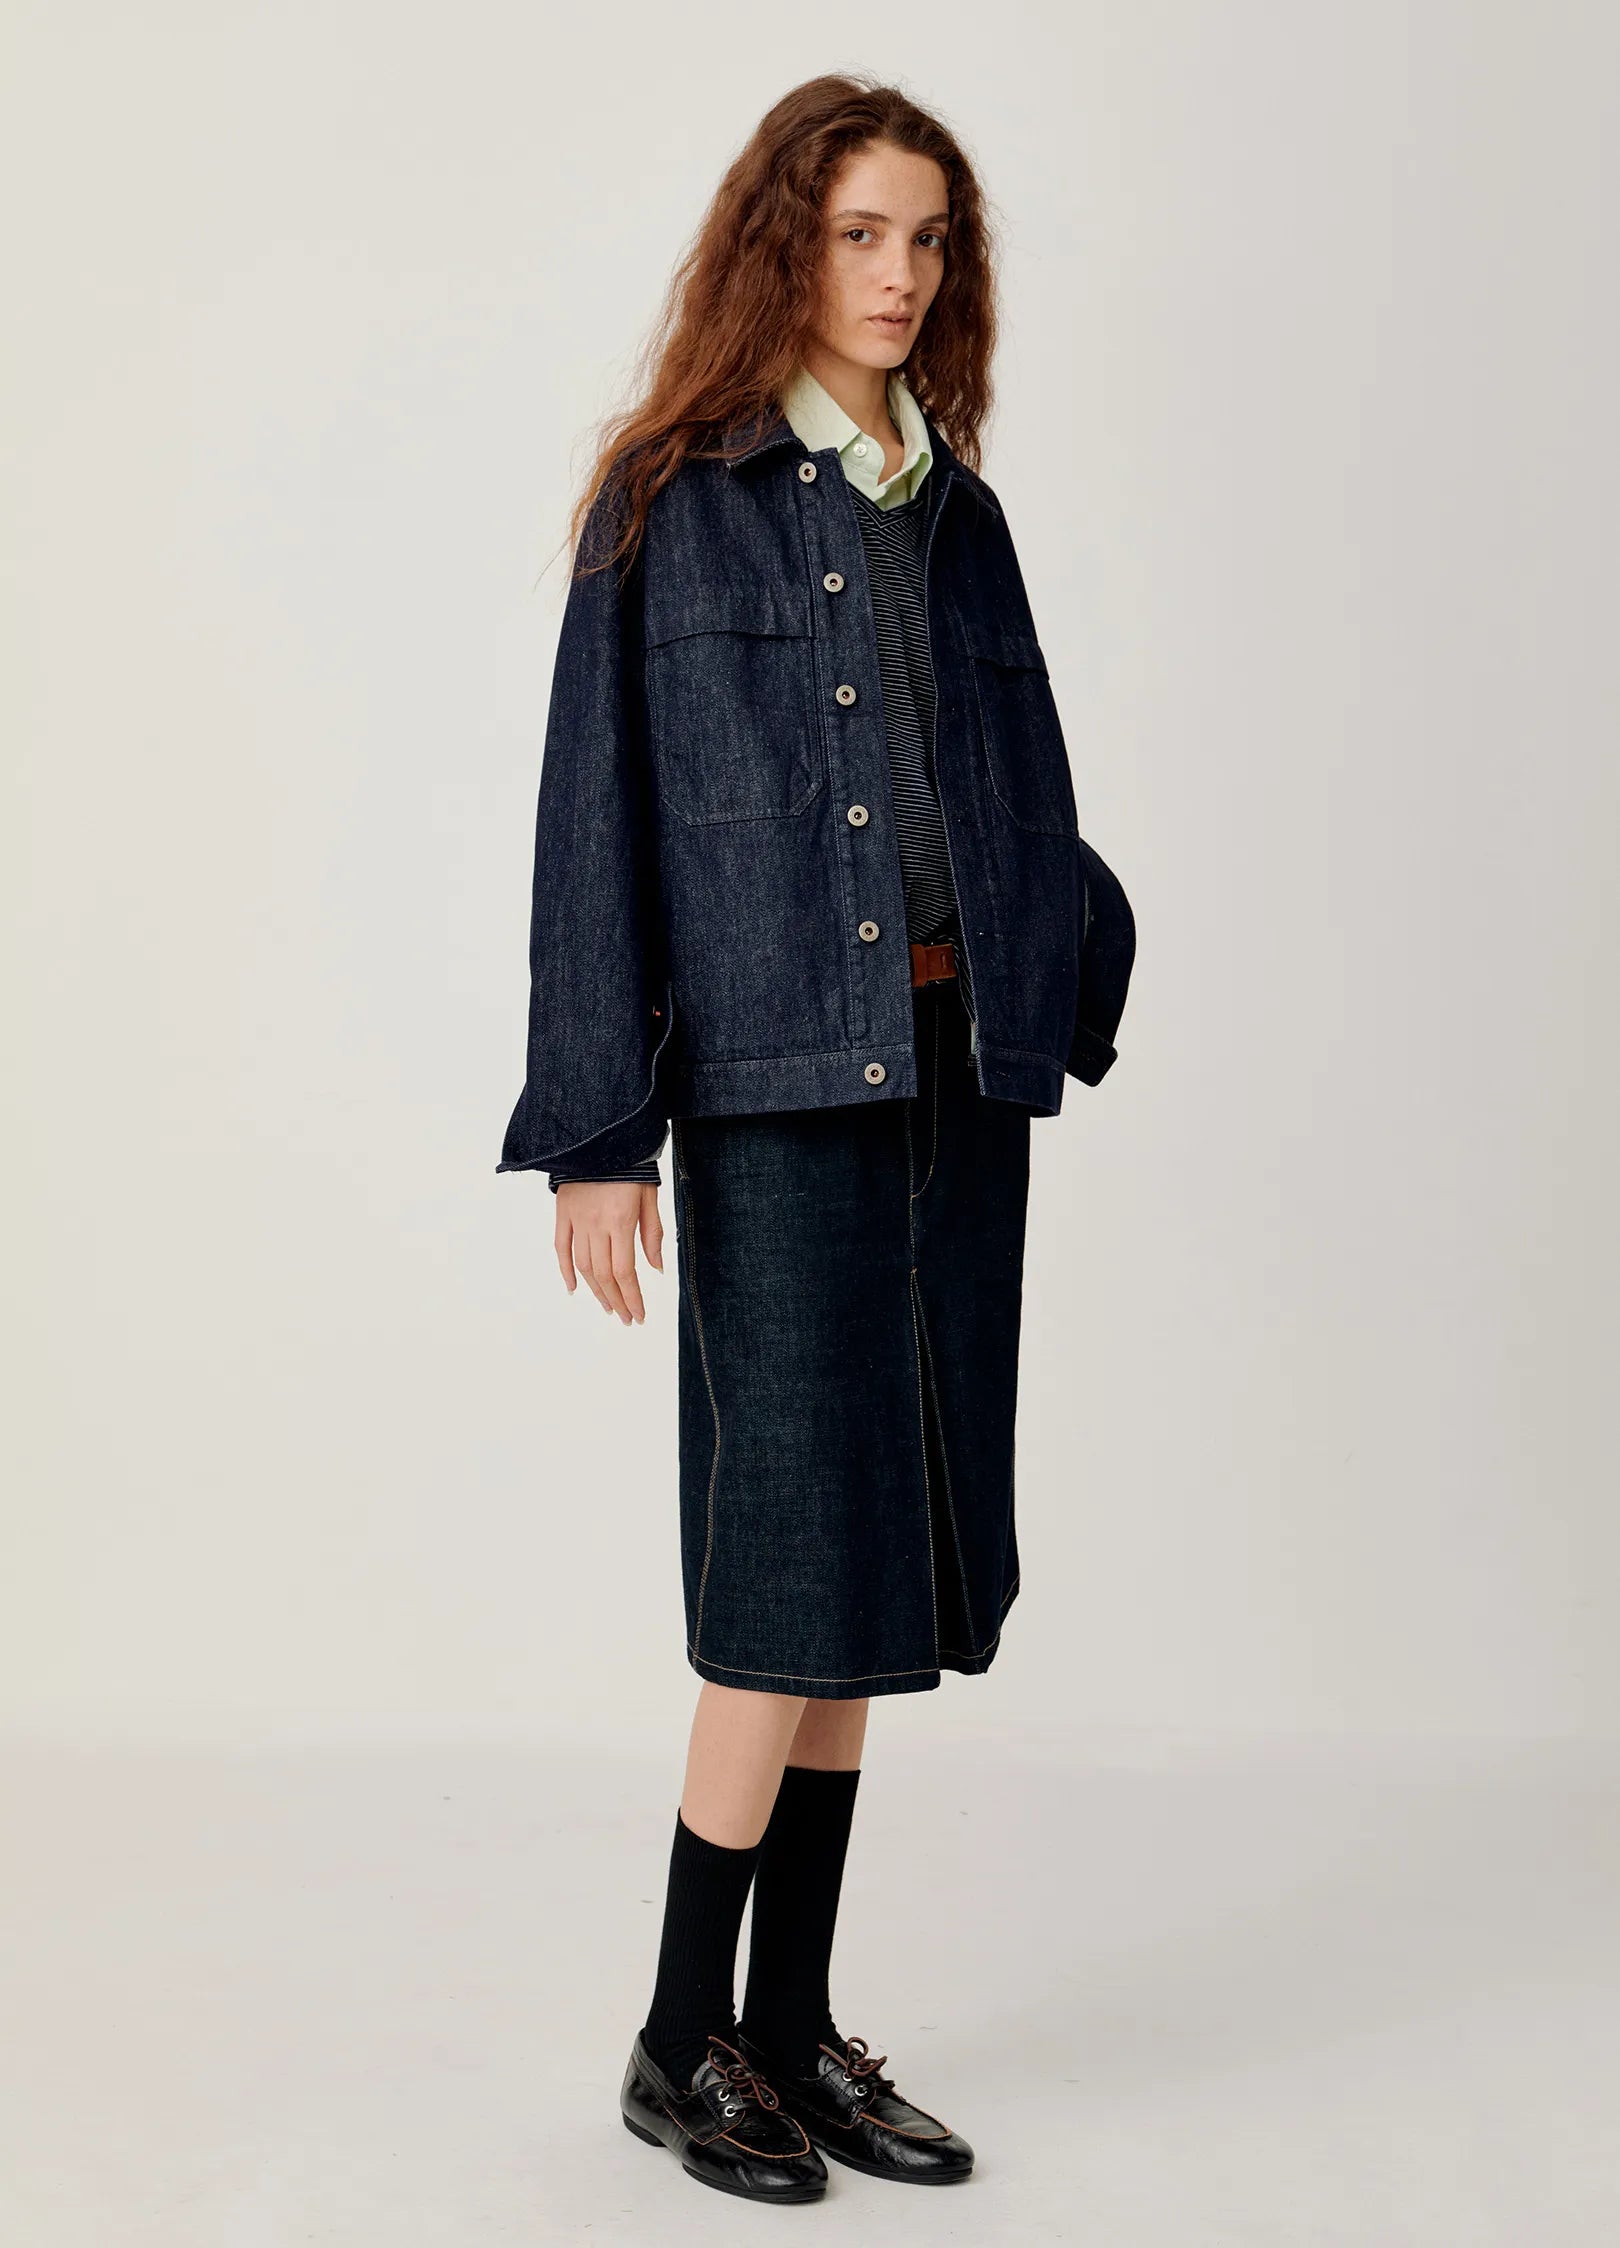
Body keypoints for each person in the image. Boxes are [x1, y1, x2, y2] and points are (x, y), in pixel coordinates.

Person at [497, 74, 1136, 2203]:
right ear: (786, 243)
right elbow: (593, 825)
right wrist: (599, 1129)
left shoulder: (959, 513)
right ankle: (679, 2033)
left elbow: (1019, 788)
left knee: (878, 1564)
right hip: (774, 1089)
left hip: (955, 1083)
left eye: (930, 239)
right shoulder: (669, 502)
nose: (900, 274)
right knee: (783, 1568)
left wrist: (1068, 965)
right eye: (862, 232)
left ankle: (791, 2026)